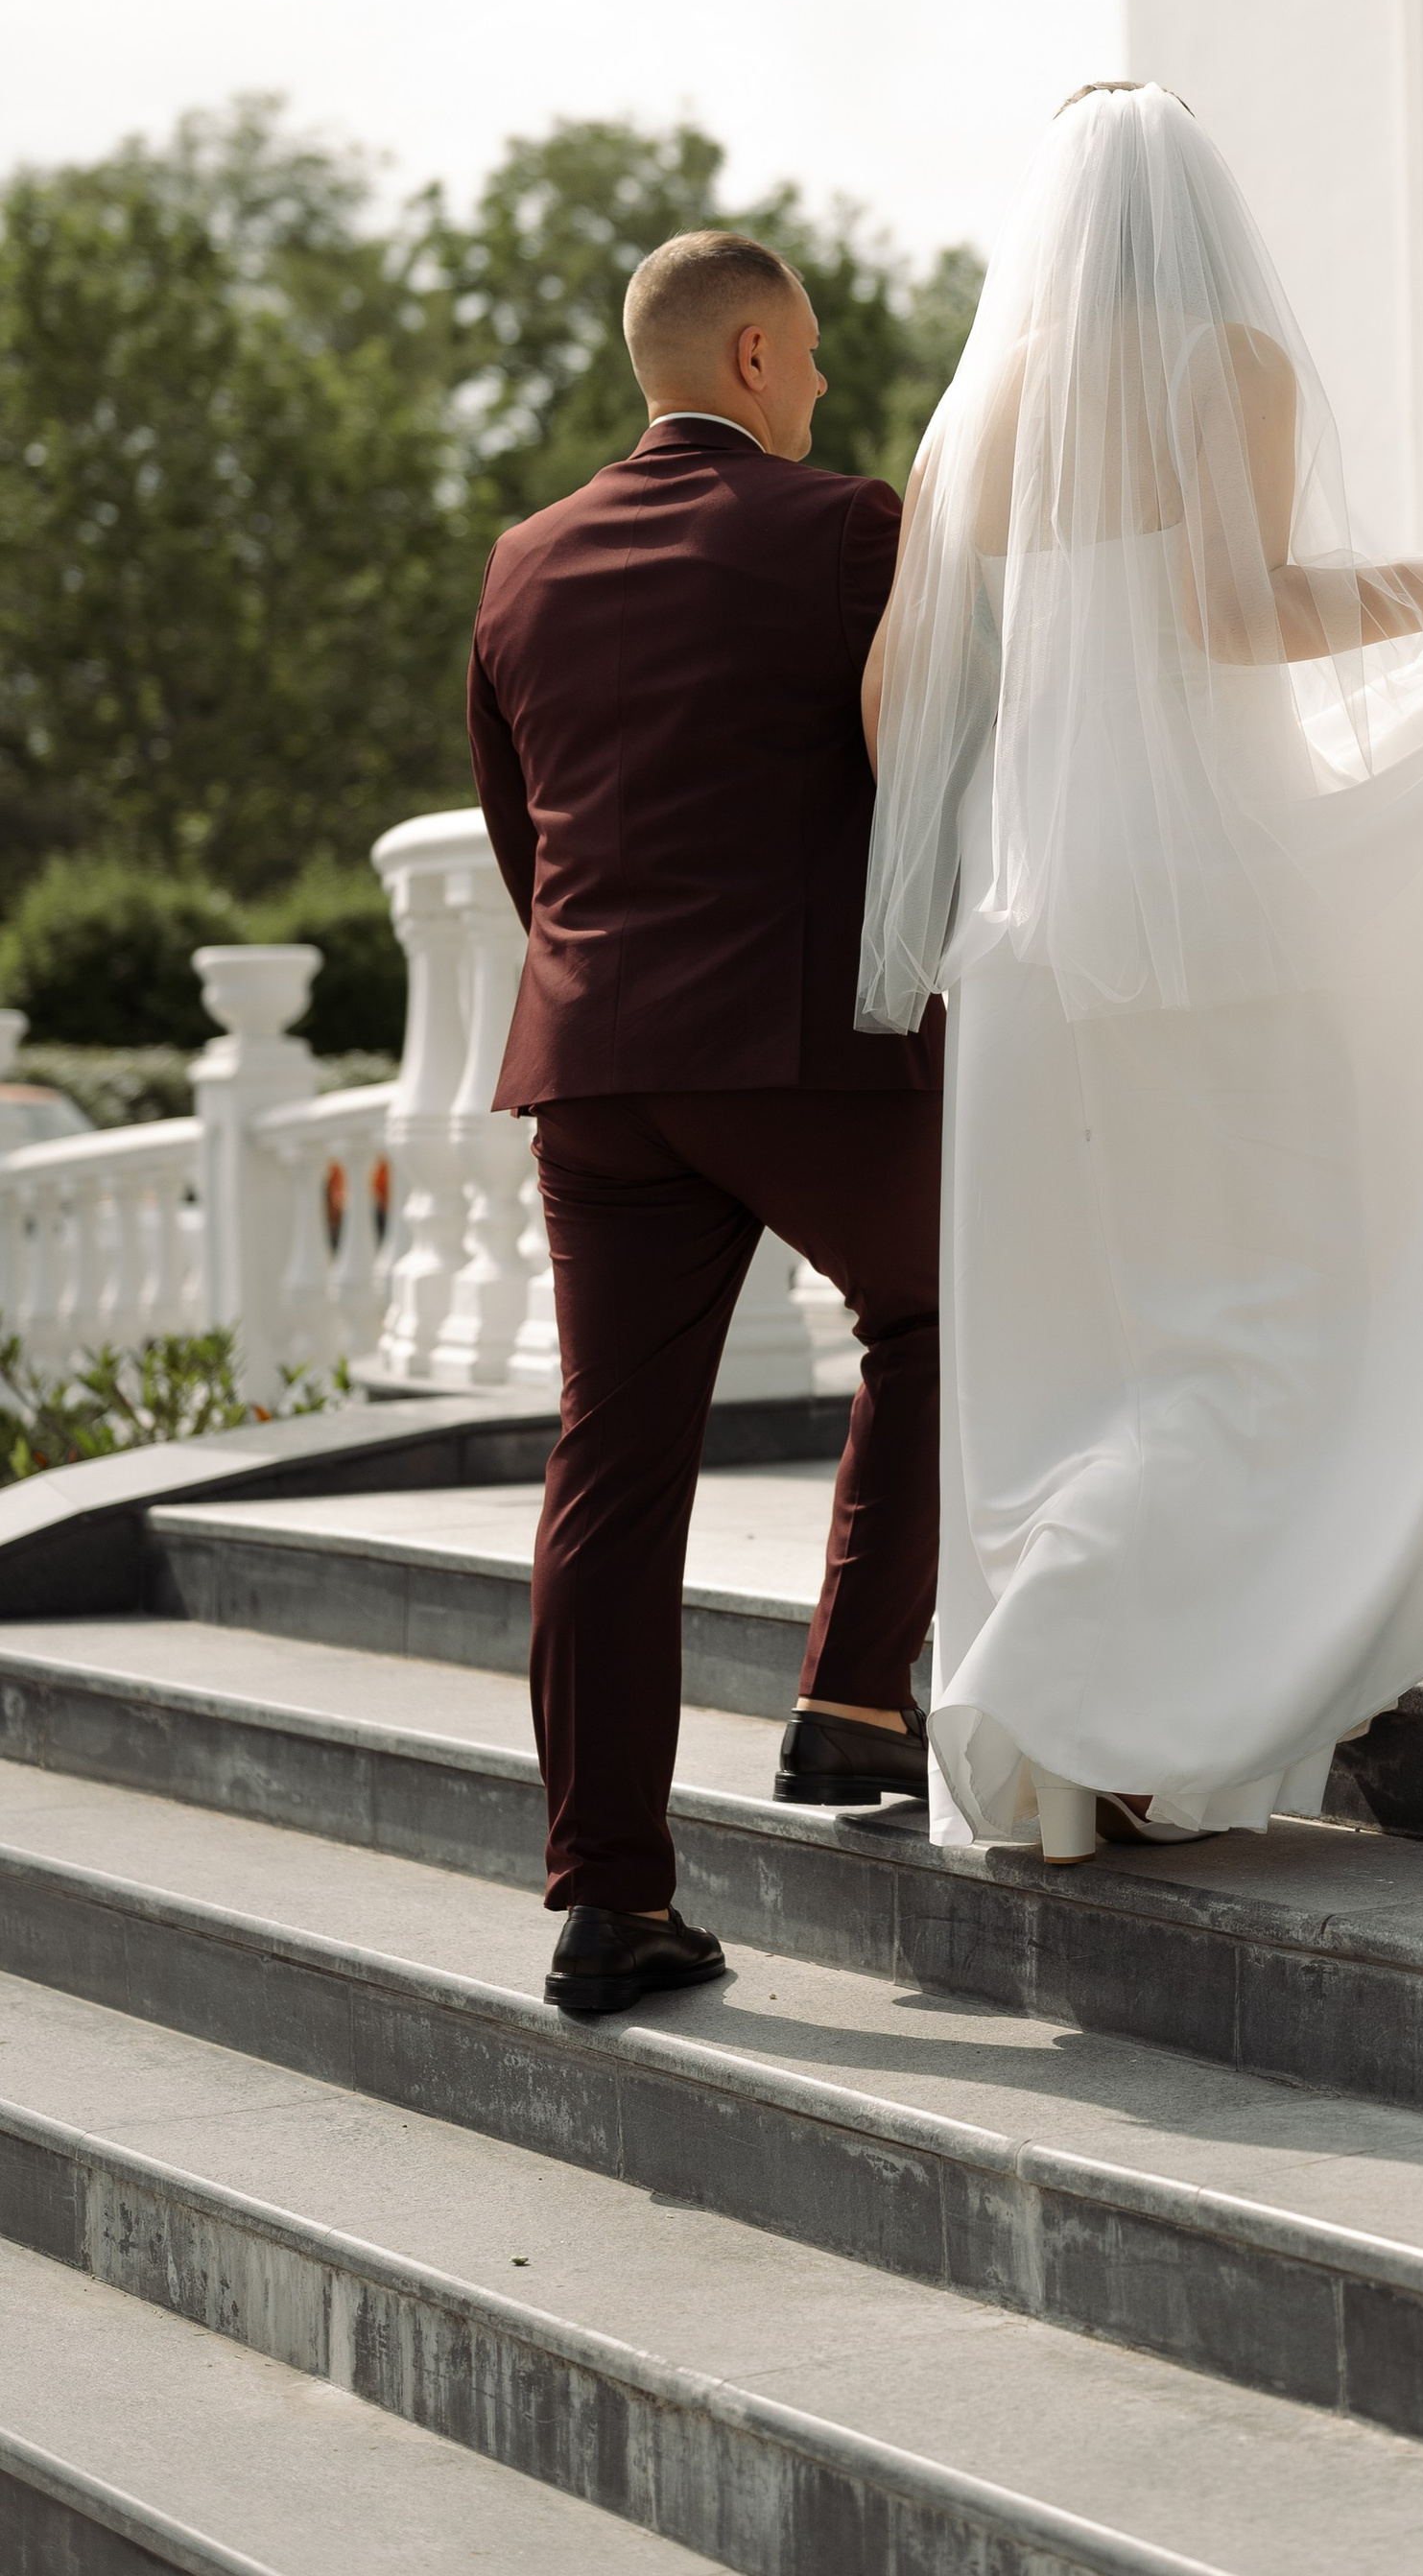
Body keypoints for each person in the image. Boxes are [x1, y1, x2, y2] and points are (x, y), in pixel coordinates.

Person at [858, 84, 1423, 1862]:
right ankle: (1153, 1701)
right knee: (1264, 1307)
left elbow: (896, 695)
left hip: (1024, 924)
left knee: (1065, 1334)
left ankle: (1059, 1735)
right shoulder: (1221, 361)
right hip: (1196, 895)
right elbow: (1239, 614)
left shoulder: (976, 414)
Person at [467, 229, 941, 2017]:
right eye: (807, 355)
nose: (819, 388)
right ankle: (849, 1700)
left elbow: (525, 842)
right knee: (943, 1315)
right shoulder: (844, 529)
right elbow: (926, 776)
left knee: (612, 1463)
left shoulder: (520, 564)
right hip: (800, 1049)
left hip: (593, 1062)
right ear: (753, 355)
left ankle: (608, 1899)